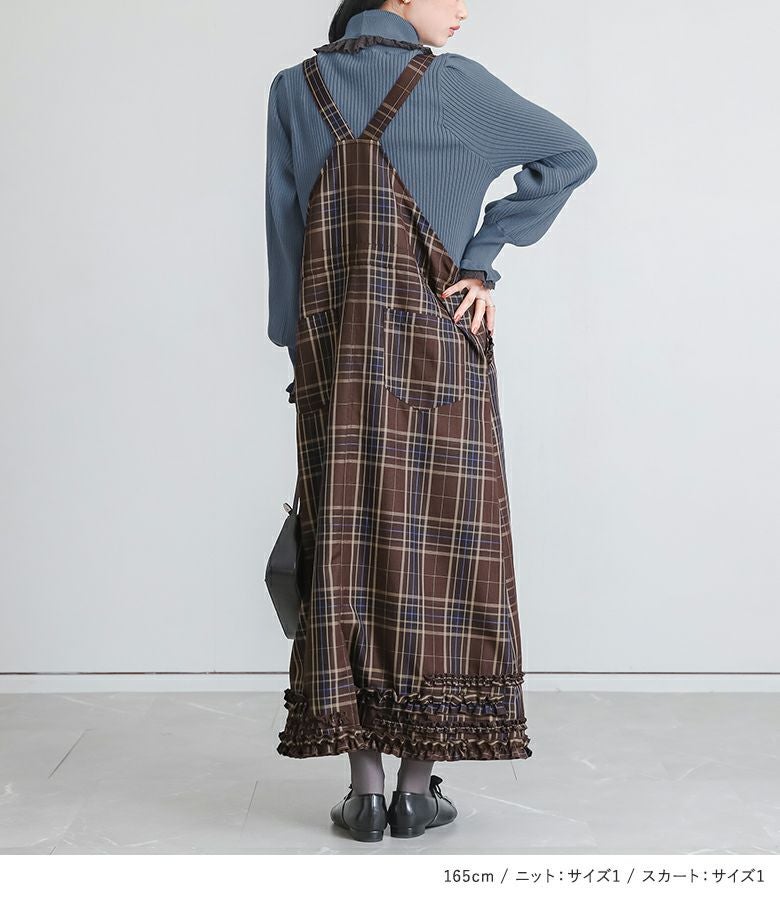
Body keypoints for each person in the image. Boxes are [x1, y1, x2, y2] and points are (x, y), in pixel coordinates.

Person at [265, 0, 597, 842]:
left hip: (336, 353)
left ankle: (364, 793)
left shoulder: (294, 88)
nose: (463, 9)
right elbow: (571, 154)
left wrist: (299, 347)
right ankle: (418, 791)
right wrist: (481, 262)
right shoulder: (451, 83)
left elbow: (284, 228)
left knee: (346, 550)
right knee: (443, 551)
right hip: (439, 350)